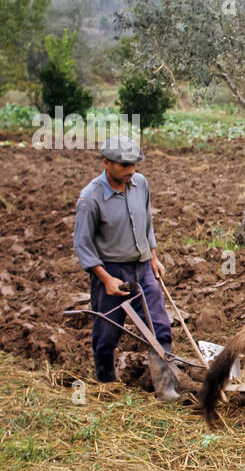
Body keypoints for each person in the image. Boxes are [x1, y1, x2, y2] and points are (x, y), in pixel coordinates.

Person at [73, 136, 179, 400]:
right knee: (107, 333)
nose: (131, 170)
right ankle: (106, 385)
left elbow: (147, 223)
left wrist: (153, 256)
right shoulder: (90, 198)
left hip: (143, 268)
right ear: (106, 162)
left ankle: (166, 389)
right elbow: (83, 245)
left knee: (159, 326)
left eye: (134, 164)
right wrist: (106, 279)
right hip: (111, 271)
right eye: (124, 165)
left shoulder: (140, 184)